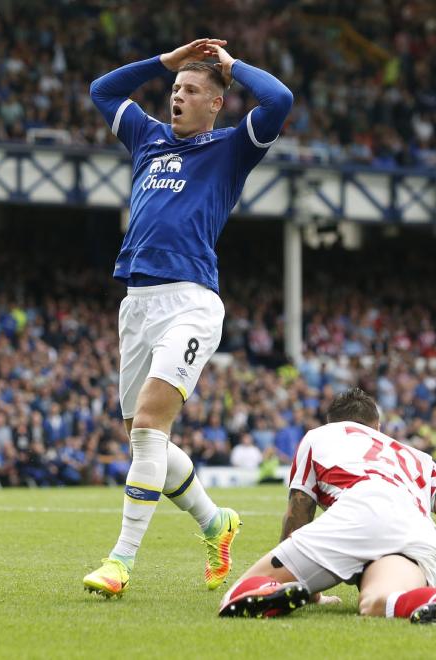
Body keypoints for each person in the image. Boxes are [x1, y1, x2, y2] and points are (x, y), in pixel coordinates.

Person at [83, 37, 293, 597]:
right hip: (137, 304)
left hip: (190, 302)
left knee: (151, 426)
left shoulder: (230, 148)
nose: (178, 96)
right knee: (140, 438)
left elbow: (279, 100)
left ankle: (121, 561)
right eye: (176, 89)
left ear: (215, 103)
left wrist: (231, 66)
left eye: (192, 90)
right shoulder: (147, 137)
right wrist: (166, 62)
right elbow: (101, 90)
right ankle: (214, 522)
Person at [219, 388, 436, 624]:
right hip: (421, 532)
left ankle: (268, 589)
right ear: (377, 428)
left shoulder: (320, 435)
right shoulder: (414, 455)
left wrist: (308, 588)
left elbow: (298, 515)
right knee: (379, 601)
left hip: (361, 508)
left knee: (237, 594)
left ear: (332, 422)